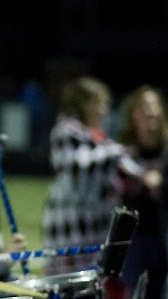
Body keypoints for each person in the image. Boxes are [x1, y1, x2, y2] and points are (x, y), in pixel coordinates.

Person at [42, 75, 124, 276]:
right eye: (100, 103)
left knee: (92, 279)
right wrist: (115, 152)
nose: (104, 110)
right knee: (66, 279)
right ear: (85, 104)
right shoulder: (66, 130)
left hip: (94, 221)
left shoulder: (94, 134)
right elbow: (78, 163)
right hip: (69, 220)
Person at [114, 85, 168, 299]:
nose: (150, 112)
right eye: (144, 107)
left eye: (154, 106)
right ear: (134, 115)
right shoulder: (124, 152)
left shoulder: (165, 151)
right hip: (133, 238)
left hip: (162, 234)